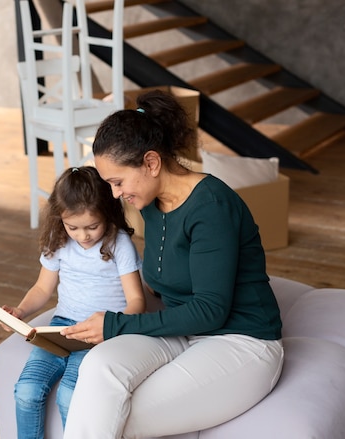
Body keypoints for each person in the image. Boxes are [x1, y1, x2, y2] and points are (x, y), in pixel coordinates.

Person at [60, 90, 284, 438]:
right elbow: (164, 281)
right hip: (182, 332)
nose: (116, 194)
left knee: (116, 416)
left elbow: (211, 311)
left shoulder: (211, 206)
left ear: (151, 163)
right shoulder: (151, 202)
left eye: (117, 182)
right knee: (99, 369)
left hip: (241, 341)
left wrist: (116, 326)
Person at [0, 166, 146, 439]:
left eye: (92, 226)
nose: (83, 236)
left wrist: (114, 327)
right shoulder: (58, 241)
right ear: (60, 220)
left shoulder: (119, 243)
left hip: (98, 332)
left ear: (108, 213)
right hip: (61, 329)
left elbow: (137, 300)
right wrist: (20, 311)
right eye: (73, 227)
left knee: (70, 395)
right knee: (27, 390)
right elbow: (43, 287)